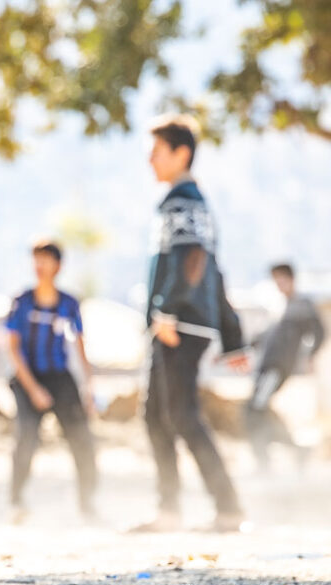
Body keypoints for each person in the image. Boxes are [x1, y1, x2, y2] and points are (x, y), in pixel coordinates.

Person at [135, 116, 248, 533]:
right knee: (156, 416)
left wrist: (166, 309)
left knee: (181, 416)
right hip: (179, 321)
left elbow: (196, 261)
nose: (150, 160)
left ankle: (229, 509)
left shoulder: (183, 200)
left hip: (179, 323)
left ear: (181, 153)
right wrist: (233, 336)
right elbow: (214, 270)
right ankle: (170, 511)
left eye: (156, 151)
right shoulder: (185, 200)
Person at [4, 240, 97, 523]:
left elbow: (79, 346)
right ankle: (16, 502)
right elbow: (13, 348)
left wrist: (89, 388)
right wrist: (33, 389)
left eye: (45, 260)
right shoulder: (23, 301)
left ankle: (87, 503)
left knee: (82, 440)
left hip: (60, 378)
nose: (39, 266)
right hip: (28, 378)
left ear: (58, 265)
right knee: (26, 439)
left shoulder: (68, 303)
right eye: (36, 260)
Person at [245, 263, 325, 470]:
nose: (279, 285)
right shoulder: (279, 306)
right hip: (265, 365)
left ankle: (265, 461)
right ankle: (293, 451)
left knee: (255, 409)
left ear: (291, 279)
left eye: (281, 280)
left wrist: (310, 356)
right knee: (257, 410)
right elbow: (265, 337)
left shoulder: (302, 305)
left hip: (279, 366)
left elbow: (319, 332)